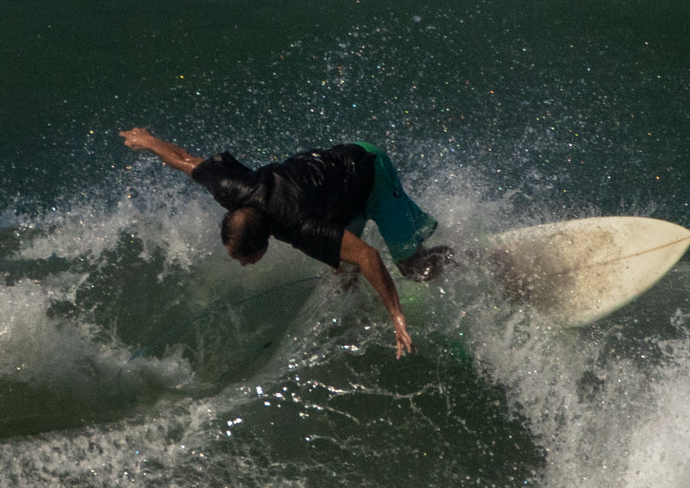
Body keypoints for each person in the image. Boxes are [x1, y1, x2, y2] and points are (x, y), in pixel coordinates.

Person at [118, 127, 451, 358]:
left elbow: (368, 255)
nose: (243, 263)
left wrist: (396, 315)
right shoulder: (230, 187)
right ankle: (359, 327)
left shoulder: (298, 227)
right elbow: (184, 159)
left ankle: (467, 258)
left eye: (245, 258)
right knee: (342, 271)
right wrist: (147, 141)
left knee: (413, 268)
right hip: (330, 186)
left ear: (265, 242)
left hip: (369, 171)